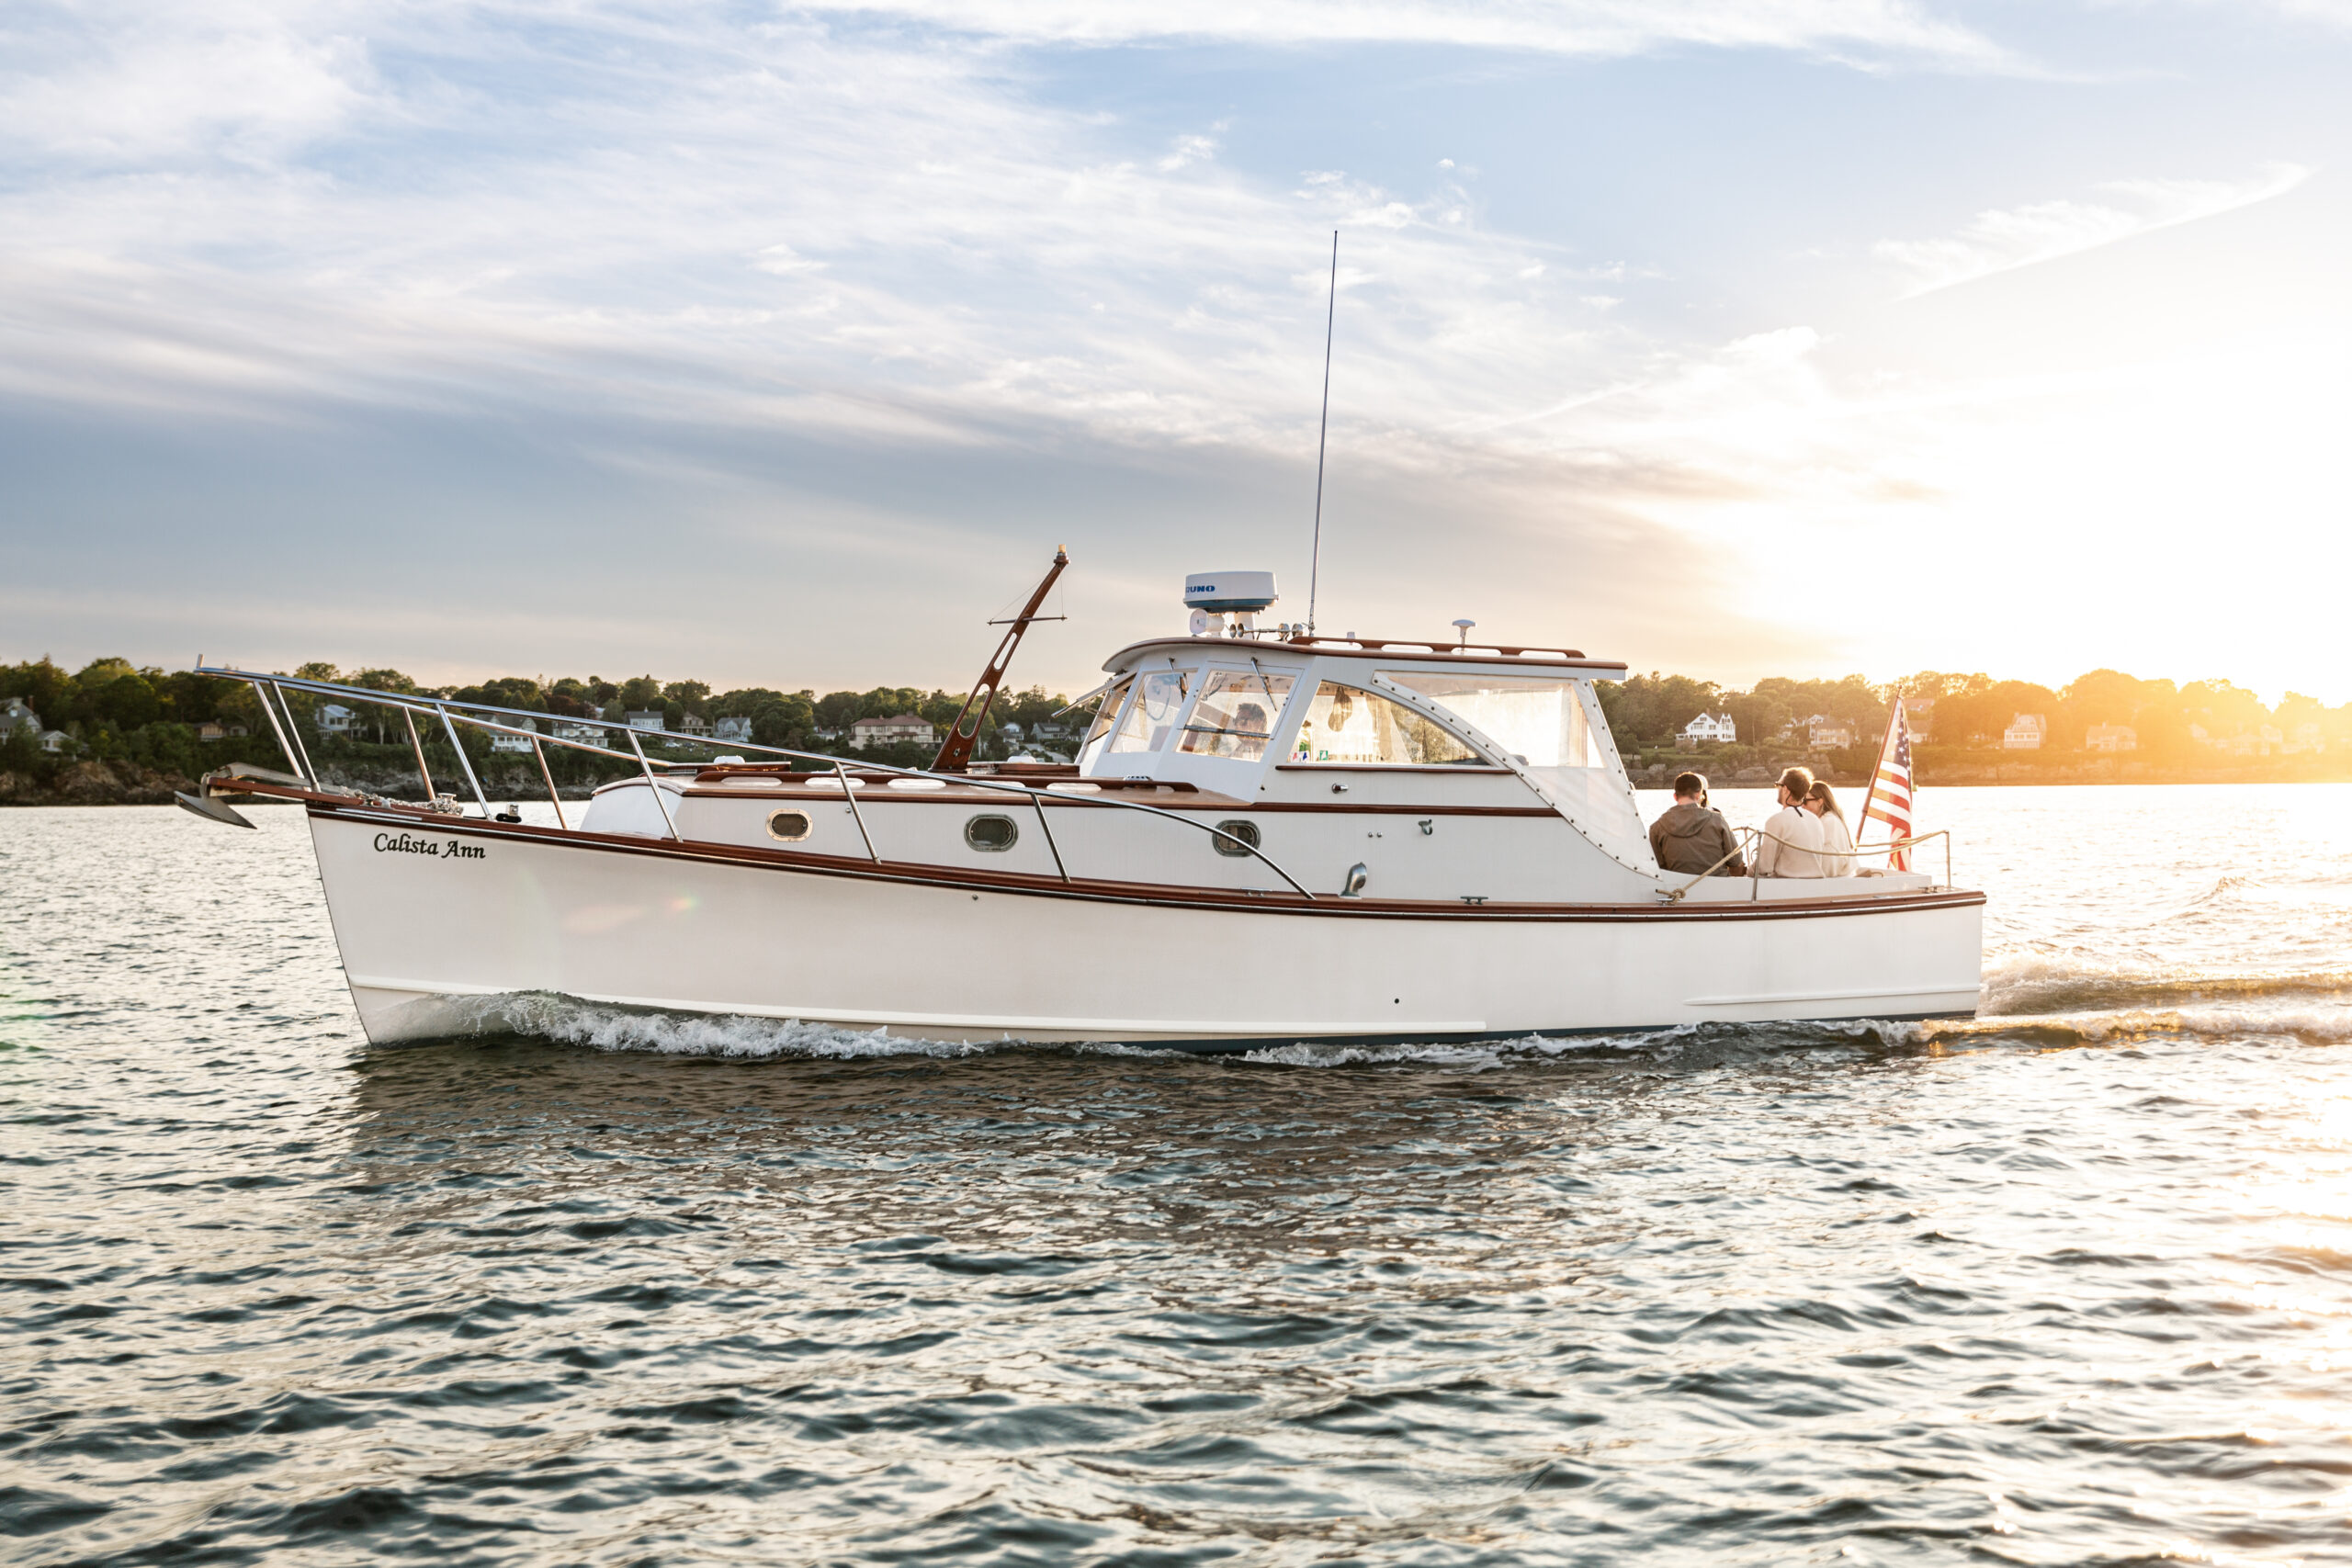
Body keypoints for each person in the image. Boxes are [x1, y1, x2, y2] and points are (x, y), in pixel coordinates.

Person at [1648, 771, 1746, 875]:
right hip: (1718, 887)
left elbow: (1658, 867)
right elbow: (1736, 860)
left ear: (1675, 796)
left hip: (1678, 889)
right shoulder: (1717, 820)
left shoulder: (1656, 828)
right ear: (1699, 795)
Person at [1753, 767, 1826, 877]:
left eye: (1778, 785)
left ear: (1785, 789)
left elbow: (1764, 867)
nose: (1777, 789)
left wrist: (1747, 872)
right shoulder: (1816, 820)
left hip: (1786, 888)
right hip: (1815, 886)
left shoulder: (1776, 820)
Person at [1805, 780, 1854, 878]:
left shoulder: (1828, 822)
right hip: (1839, 880)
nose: (1802, 805)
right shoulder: (1830, 819)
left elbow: (1829, 864)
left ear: (1819, 802)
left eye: (1805, 801)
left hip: (1835, 883)